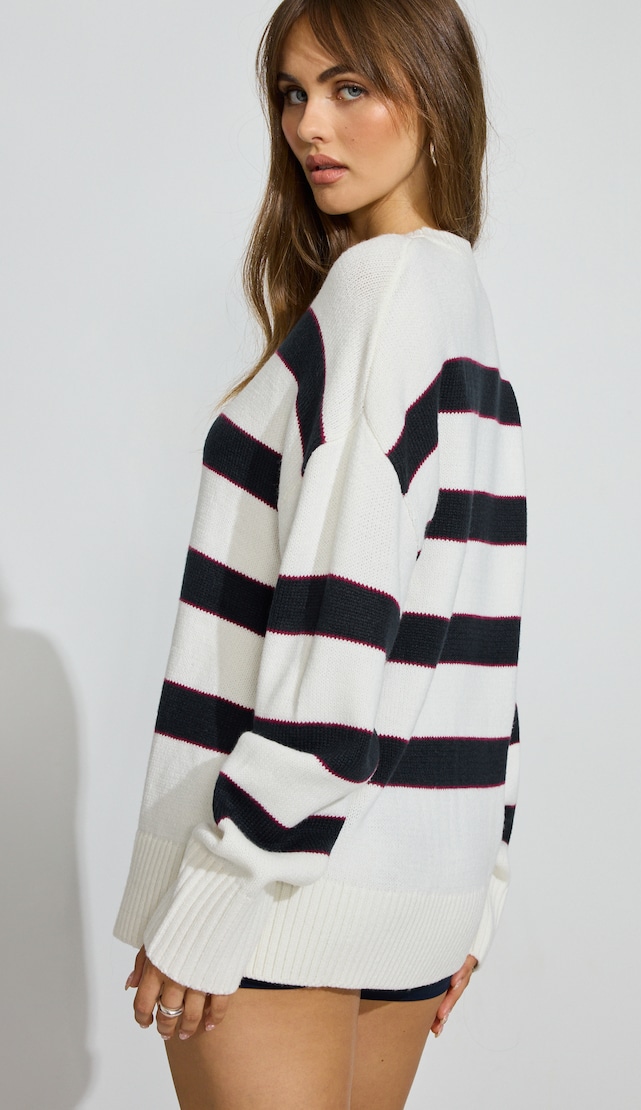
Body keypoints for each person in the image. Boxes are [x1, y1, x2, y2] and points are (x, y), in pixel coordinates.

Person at [114, 0, 526, 1106]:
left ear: (435, 95)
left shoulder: (381, 290)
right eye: (294, 94)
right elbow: (472, 637)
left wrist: (222, 881)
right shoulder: (460, 303)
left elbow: (338, 634)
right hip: (411, 884)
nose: (309, 125)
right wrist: (478, 882)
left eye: (351, 88)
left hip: (284, 888)